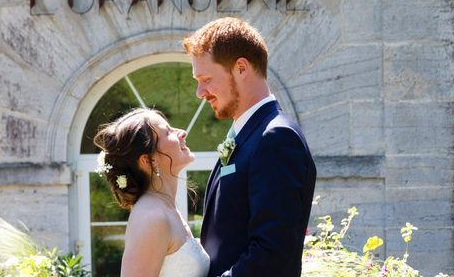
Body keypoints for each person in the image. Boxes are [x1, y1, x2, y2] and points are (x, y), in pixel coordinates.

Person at [182, 17, 316, 277]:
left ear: (241, 68)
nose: (200, 92)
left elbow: (273, 253)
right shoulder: (248, 134)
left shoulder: (276, 137)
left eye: (206, 79)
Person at [93, 108, 210, 277]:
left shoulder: (165, 209)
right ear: (148, 160)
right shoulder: (151, 216)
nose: (182, 133)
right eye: (168, 132)